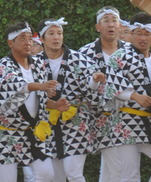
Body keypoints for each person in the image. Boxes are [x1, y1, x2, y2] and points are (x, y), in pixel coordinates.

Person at [34, 18, 107, 182]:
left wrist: (94, 81)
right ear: (42, 38)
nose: (56, 38)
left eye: (59, 33)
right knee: (54, 176)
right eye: (51, 34)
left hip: (75, 122)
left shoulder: (79, 59)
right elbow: (30, 94)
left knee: (73, 174)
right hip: (47, 124)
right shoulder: (34, 62)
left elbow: (92, 93)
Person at [0, 22, 55, 182]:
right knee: (7, 178)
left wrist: (55, 105)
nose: (28, 42)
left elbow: (38, 100)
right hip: (7, 132)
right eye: (23, 38)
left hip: (32, 131)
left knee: (47, 175)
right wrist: (39, 86)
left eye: (30, 39)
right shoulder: (3, 66)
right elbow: (12, 87)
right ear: (10, 43)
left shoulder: (39, 65)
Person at [111, 13, 151, 182]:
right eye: (138, 33)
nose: (142, 38)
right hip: (125, 121)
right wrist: (133, 96)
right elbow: (107, 86)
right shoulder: (119, 57)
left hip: (150, 121)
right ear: (131, 33)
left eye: (147, 34)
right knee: (130, 175)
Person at [77, 6, 132, 182]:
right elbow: (81, 88)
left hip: (130, 118)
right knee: (119, 169)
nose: (110, 25)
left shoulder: (131, 52)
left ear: (120, 26)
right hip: (101, 118)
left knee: (111, 171)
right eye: (106, 21)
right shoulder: (85, 53)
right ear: (97, 27)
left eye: (114, 21)